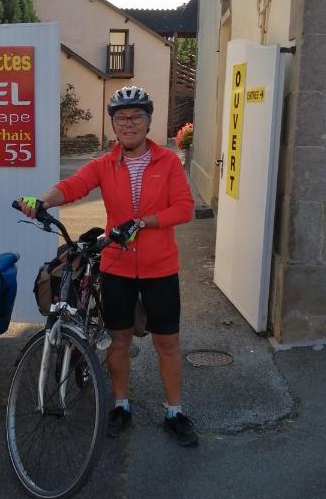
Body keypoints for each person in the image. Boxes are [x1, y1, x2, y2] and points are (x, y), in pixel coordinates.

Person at [19, 85, 198, 446]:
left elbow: (184, 208)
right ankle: (120, 405)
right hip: (116, 266)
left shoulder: (167, 163)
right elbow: (73, 185)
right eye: (120, 118)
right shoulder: (105, 163)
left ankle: (174, 411)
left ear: (148, 122)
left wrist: (143, 222)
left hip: (160, 267)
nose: (128, 124)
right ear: (113, 125)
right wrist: (43, 200)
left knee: (168, 343)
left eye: (135, 117)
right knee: (118, 340)